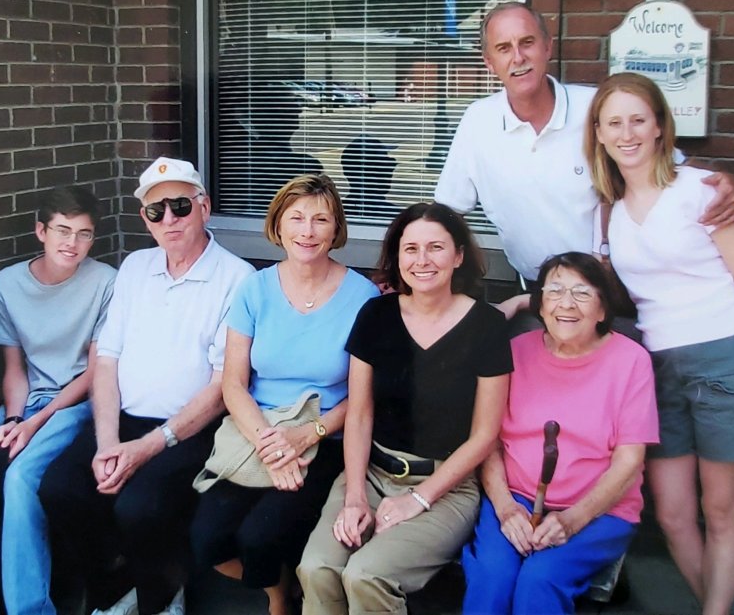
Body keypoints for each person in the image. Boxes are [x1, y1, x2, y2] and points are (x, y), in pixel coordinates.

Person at [585, 73, 734, 615]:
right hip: (657, 370)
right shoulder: (607, 209)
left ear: (661, 126)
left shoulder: (700, 189)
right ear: (600, 134)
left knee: (722, 511)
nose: (628, 132)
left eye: (639, 119)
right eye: (615, 122)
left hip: (726, 357)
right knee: (675, 514)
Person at [38, 157, 254, 615]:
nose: (169, 219)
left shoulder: (238, 278)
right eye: (156, 211)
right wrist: (108, 442)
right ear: (145, 220)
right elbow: (108, 361)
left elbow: (222, 386)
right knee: (60, 488)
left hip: (191, 430)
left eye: (180, 206)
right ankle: (115, 585)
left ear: (205, 207)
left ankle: (160, 600)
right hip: (122, 421)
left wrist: (149, 446)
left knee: (139, 504)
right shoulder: (135, 267)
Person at [434, 1, 734, 290]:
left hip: (619, 285)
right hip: (535, 289)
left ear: (547, 47)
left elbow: (670, 165)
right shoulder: (478, 122)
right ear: (489, 62)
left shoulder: (596, 107)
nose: (518, 57)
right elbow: (448, 210)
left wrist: (721, 183)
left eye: (527, 42)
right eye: (504, 48)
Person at [298, 202, 512, 614]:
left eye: (436, 247)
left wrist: (420, 499)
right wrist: (356, 496)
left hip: (446, 485)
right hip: (371, 474)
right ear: (397, 257)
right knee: (318, 568)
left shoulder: (486, 326)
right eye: (410, 249)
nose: (422, 260)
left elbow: (485, 434)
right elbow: (360, 414)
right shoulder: (376, 315)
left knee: (367, 575)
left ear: (459, 255)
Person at [190, 174, 379, 615]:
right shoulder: (255, 289)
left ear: (336, 229)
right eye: (296, 218)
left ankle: (278, 604)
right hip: (257, 433)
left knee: (262, 535)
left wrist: (307, 434)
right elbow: (234, 384)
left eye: (320, 219)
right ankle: (281, 589)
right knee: (207, 539)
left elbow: (363, 398)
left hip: (324, 437)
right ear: (278, 225)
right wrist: (270, 443)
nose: (307, 231)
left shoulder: (363, 298)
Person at [0, 186, 116, 615]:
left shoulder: (106, 281)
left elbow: (97, 371)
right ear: (40, 231)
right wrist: (13, 419)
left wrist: (35, 423)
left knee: (21, 476)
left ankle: (27, 608)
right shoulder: (8, 284)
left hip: (75, 403)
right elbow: (15, 369)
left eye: (84, 234)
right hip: (24, 401)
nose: (72, 243)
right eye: (63, 231)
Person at [462, 252, 658, 614]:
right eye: (554, 291)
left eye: (582, 293)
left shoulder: (630, 360)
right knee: (493, 574)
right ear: (540, 305)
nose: (566, 303)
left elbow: (630, 460)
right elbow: (488, 441)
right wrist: (505, 509)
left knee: (541, 578)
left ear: (602, 309)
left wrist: (572, 519)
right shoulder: (514, 352)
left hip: (598, 511)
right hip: (516, 498)